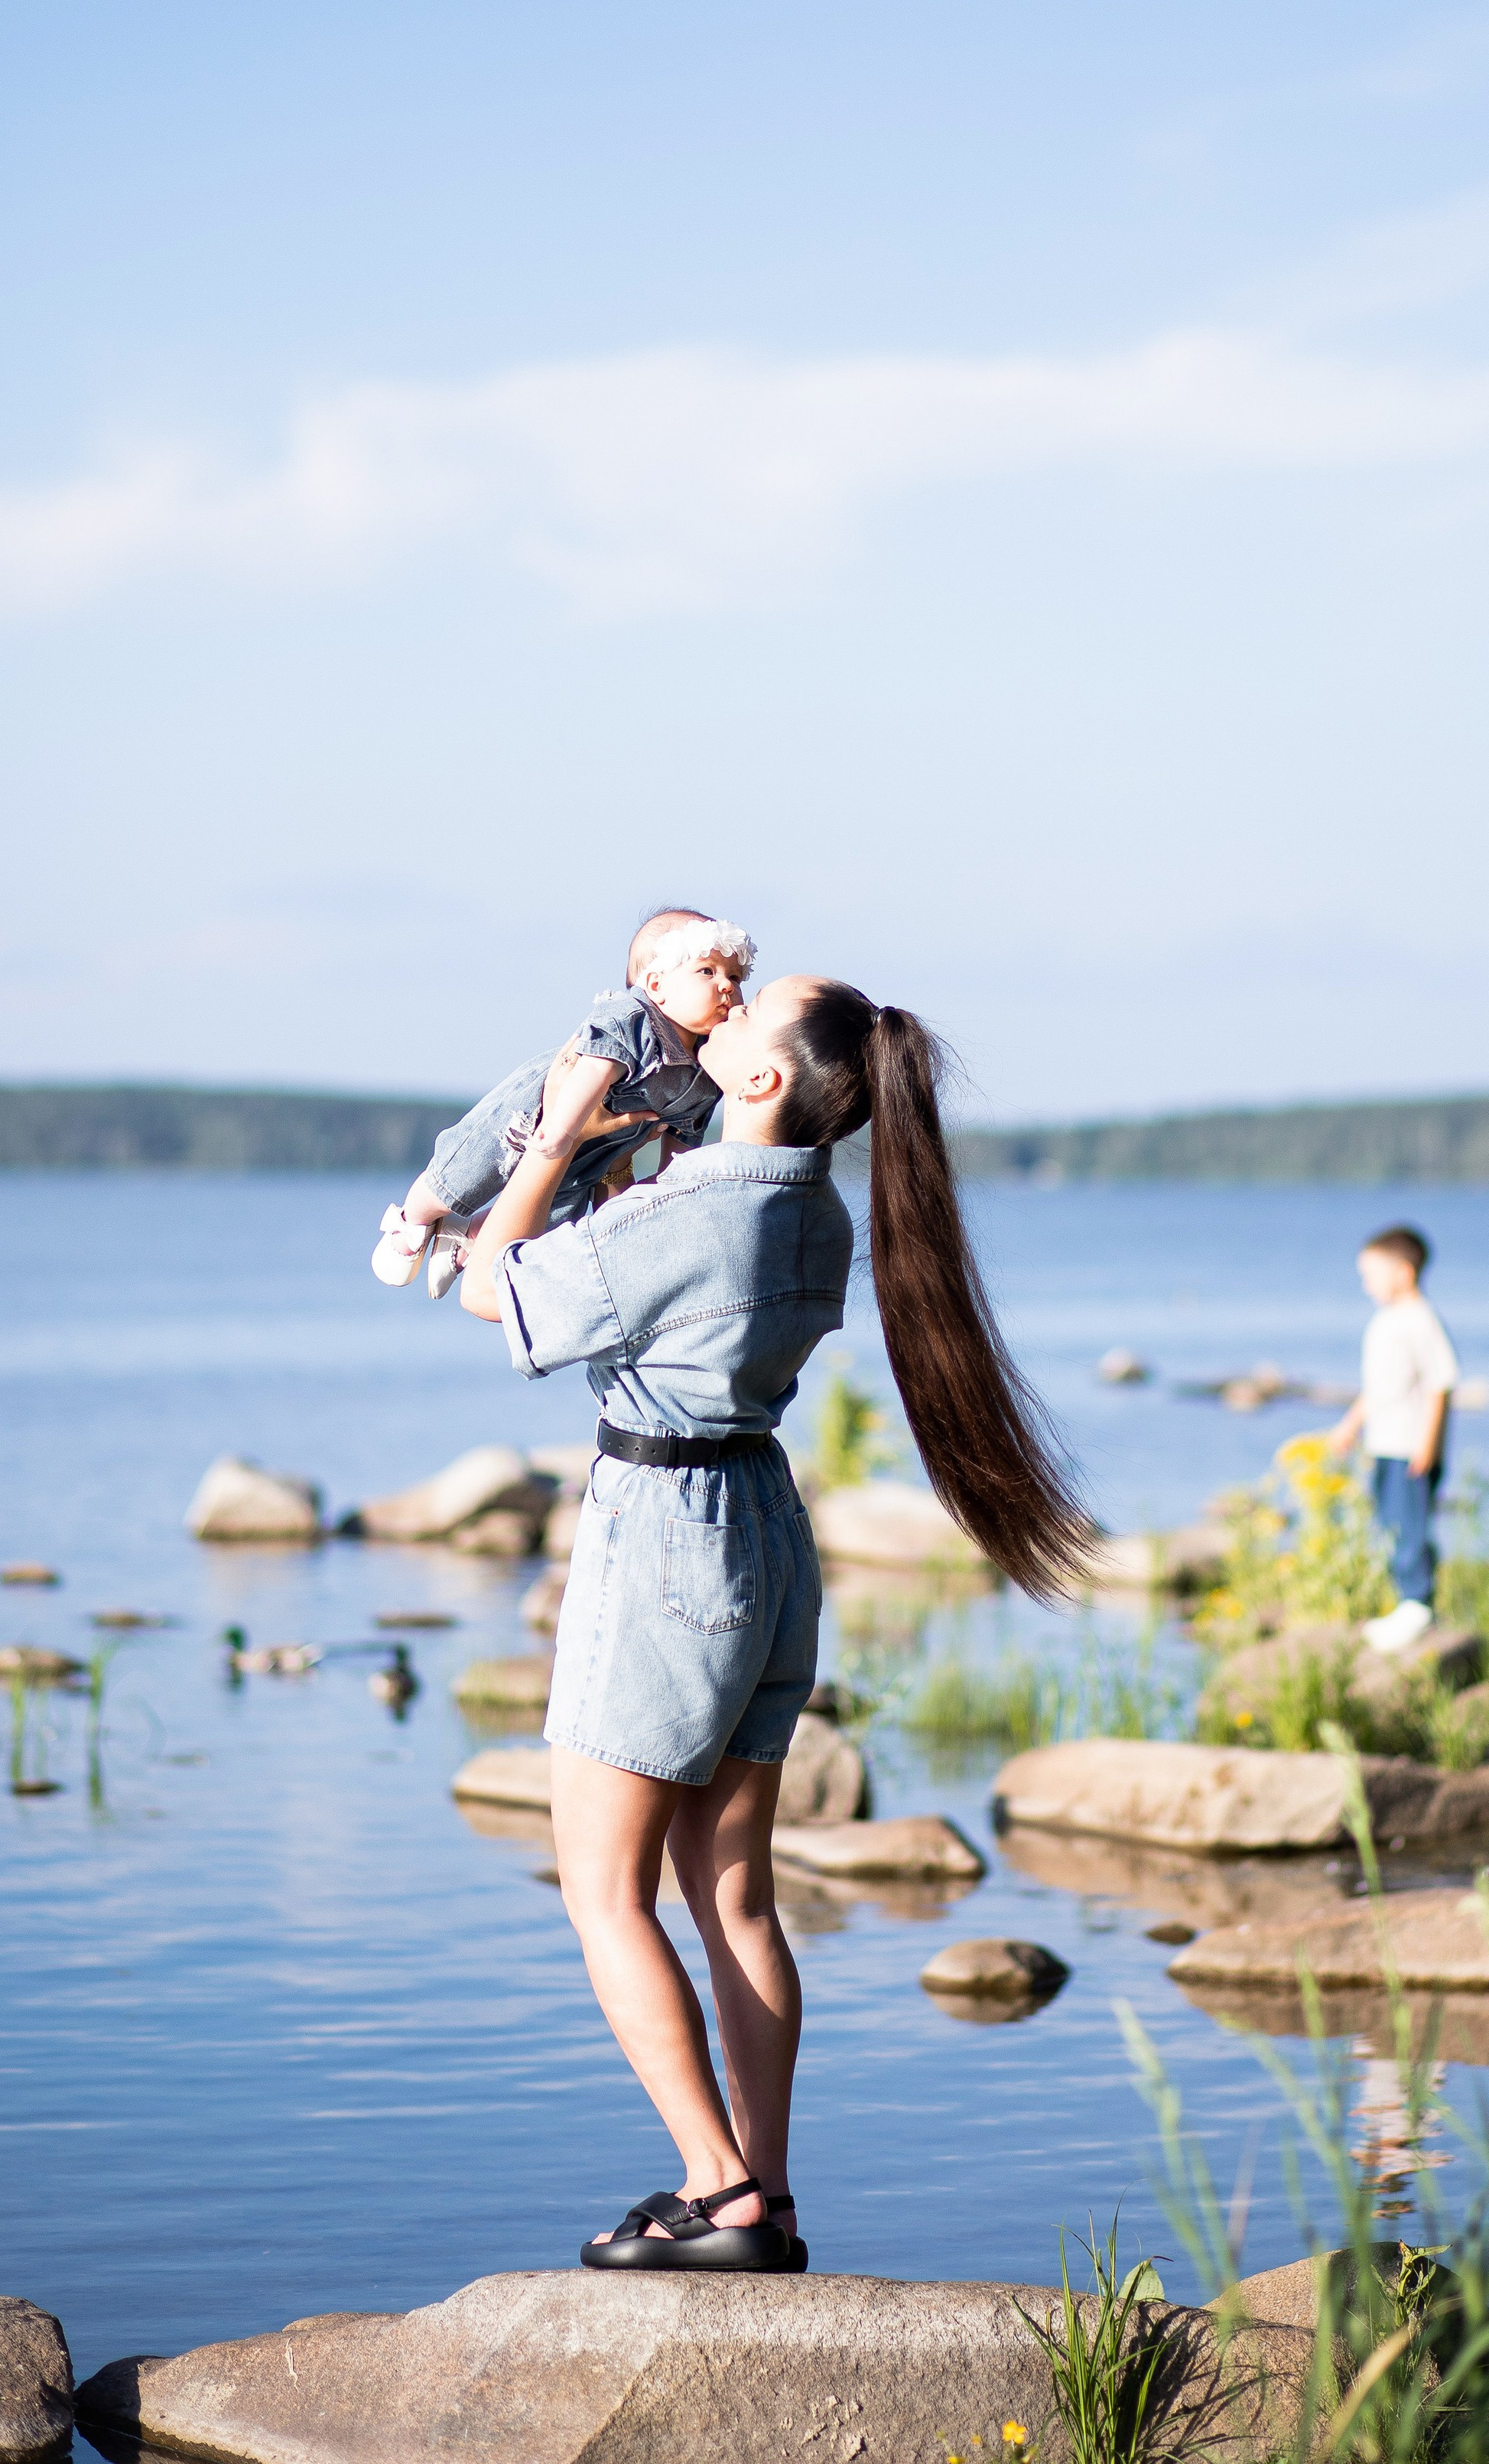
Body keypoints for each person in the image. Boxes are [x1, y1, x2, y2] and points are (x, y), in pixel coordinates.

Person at [457, 973, 1092, 2273]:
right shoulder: (810, 1209)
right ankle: (771, 2193)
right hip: (760, 1528)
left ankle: (715, 2186)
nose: (717, 1017)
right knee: (734, 1896)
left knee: (603, 1891)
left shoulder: (705, 1209)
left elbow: (493, 1290)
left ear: (761, 1082)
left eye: (744, 1022)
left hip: (667, 1539)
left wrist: (565, 1120)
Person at [370, 910, 753, 1296]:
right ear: (656, 984)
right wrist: (558, 1133)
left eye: (735, 977)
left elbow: (683, 1147)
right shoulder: (634, 1021)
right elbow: (593, 1071)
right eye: (708, 972)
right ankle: (413, 1219)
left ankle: (467, 1239)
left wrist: (670, 1187)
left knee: (550, 1218)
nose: (727, 987)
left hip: (597, 1155)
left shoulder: (709, 1068)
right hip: (535, 1116)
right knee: (468, 1170)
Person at [1326, 1222, 1459, 1652]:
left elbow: (1441, 1385)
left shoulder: (1421, 1320)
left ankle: (1418, 1604)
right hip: (1384, 1443)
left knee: (1410, 1524)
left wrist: (1429, 1443)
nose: (1366, 1285)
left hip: (1410, 1447)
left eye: (1371, 1275)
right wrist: (1351, 1424)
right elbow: (1380, 1387)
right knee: (1388, 1521)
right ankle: (1406, 1604)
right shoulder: (1388, 1320)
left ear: (1403, 1272)